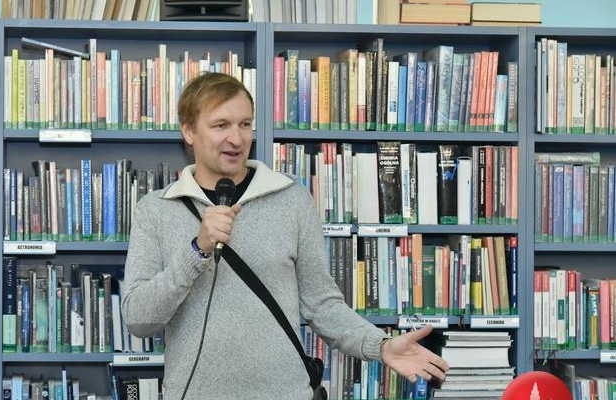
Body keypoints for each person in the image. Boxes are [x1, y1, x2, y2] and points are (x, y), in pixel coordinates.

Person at [121, 72, 449, 400]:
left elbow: (322, 305)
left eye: (245, 124)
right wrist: (197, 250)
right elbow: (138, 319)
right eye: (221, 125)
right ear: (189, 131)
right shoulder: (156, 209)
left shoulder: (292, 199)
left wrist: (381, 345)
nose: (236, 139)